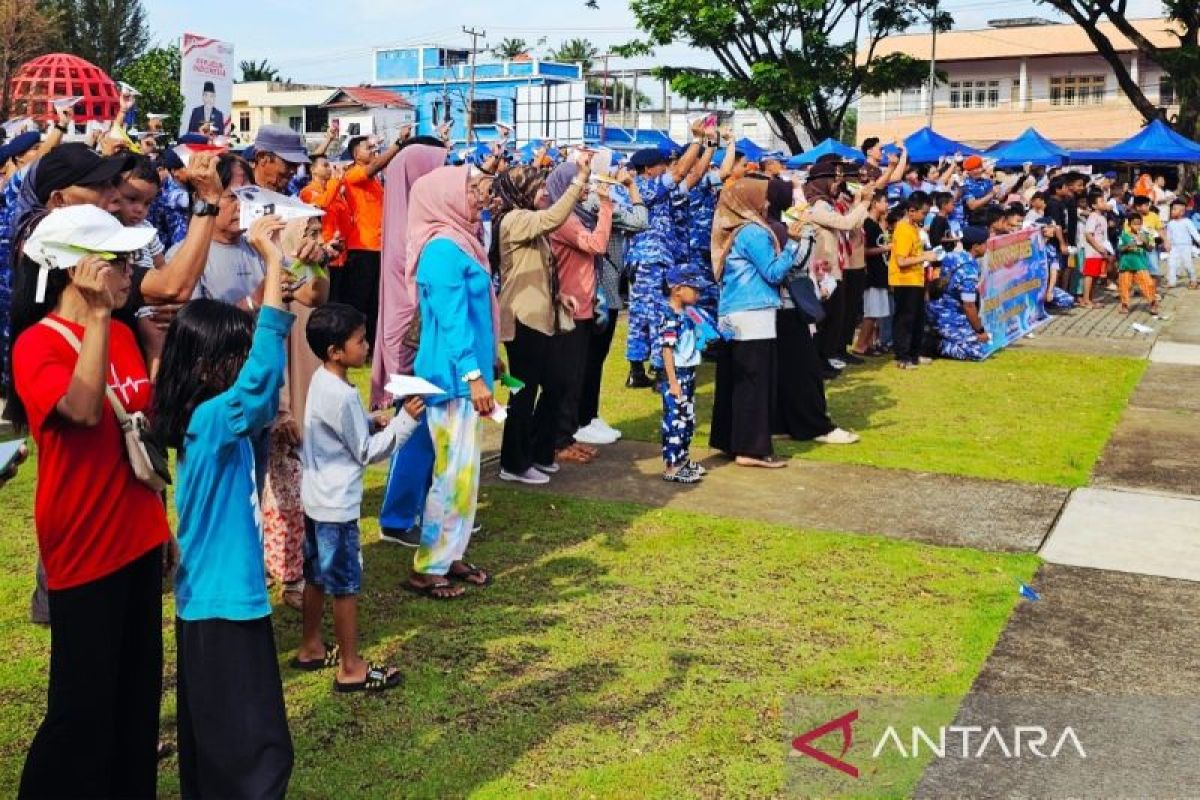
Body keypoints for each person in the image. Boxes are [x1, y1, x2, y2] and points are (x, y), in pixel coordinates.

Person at [9, 205, 168, 799]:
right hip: (83, 543)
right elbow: (80, 410)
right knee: (81, 707)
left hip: (137, 535)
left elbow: (140, 426)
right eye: (117, 262)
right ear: (77, 269)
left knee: (137, 697)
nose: (130, 273)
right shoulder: (37, 345)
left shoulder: (123, 333)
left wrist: (162, 527)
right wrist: (99, 316)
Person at [153, 214, 295, 799]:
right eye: (236, 357)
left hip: (218, 600)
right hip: (221, 603)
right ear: (210, 366)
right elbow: (262, 376)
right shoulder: (213, 419)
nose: (244, 367)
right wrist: (273, 260)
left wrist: (279, 274)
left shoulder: (210, 420)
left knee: (219, 737)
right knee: (250, 744)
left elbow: (257, 377)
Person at [294, 303, 423, 691]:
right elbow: (366, 452)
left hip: (316, 500)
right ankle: (351, 667)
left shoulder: (322, 380)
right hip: (336, 507)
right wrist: (405, 422)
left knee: (316, 576)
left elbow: (336, 429)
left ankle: (311, 645)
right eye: (360, 341)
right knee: (345, 586)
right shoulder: (342, 395)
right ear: (335, 351)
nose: (367, 347)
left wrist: (370, 420)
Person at [407, 165, 500, 599]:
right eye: (471, 190)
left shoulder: (463, 241)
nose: (480, 198)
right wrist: (473, 374)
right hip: (451, 377)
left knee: (465, 473)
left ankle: (451, 552)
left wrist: (489, 358)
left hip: (467, 373)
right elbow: (452, 319)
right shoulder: (442, 250)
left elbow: (477, 316)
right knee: (452, 474)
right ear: (446, 197)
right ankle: (428, 566)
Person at [370, 137, 449, 546]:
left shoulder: (422, 224)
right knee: (415, 429)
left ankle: (424, 510)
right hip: (413, 347)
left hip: (430, 344)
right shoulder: (410, 236)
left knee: (432, 432)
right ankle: (398, 518)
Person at [495, 161, 590, 484]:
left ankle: (539, 450)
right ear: (521, 190)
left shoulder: (527, 220)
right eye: (538, 187)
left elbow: (538, 267)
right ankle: (514, 463)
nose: (544, 193)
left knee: (557, 383)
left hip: (540, 316)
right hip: (522, 319)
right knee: (522, 392)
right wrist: (579, 181)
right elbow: (553, 218)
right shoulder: (515, 219)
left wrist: (559, 295)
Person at [709, 178, 802, 468]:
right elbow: (773, 272)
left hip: (732, 312)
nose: (767, 203)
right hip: (754, 313)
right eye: (762, 197)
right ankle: (751, 449)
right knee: (756, 383)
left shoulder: (732, 230)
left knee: (734, 381)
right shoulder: (753, 232)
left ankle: (730, 440)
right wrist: (793, 244)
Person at [624, 124, 703, 387]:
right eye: (661, 165)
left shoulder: (646, 188)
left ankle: (637, 370)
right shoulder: (644, 187)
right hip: (651, 262)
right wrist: (697, 139)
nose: (666, 169)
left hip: (646, 261)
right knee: (658, 314)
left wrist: (706, 146)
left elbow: (691, 177)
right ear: (648, 169)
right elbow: (680, 173)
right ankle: (659, 372)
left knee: (641, 314)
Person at [546, 160, 614, 463]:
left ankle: (567, 436)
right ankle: (558, 440)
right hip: (569, 308)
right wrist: (606, 206)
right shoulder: (563, 219)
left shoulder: (572, 215)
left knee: (575, 377)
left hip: (582, 306)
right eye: (580, 183)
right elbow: (597, 245)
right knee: (566, 378)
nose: (585, 188)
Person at [573, 168, 647, 445]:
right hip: (602, 291)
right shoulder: (596, 203)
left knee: (594, 359)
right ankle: (583, 418)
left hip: (605, 288)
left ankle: (589, 415)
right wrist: (632, 187)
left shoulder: (595, 201)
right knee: (591, 359)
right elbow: (640, 221)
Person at [338, 127, 411, 344]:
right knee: (360, 301)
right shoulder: (353, 175)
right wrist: (398, 143)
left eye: (373, 147)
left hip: (379, 246)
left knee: (375, 300)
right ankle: (354, 342)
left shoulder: (375, 182)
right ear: (355, 154)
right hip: (361, 247)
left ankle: (371, 345)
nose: (372, 151)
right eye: (367, 148)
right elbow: (376, 166)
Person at [656, 266, 708, 484]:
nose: (698, 294)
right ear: (677, 290)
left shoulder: (687, 313)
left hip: (688, 372)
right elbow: (667, 350)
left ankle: (683, 459)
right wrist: (673, 382)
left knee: (687, 418)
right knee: (675, 420)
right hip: (676, 374)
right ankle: (672, 466)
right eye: (694, 289)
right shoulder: (670, 317)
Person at [889, 194, 939, 369]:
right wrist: (925, 257)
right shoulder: (903, 229)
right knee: (905, 320)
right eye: (923, 213)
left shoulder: (914, 228)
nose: (925, 216)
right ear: (911, 211)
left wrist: (925, 255)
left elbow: (913, 255)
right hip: (904, 281)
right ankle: (902, 357)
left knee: (918, 319)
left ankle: (914, 354)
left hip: (916, 279)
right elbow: (901, 261)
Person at [927, 226, 992, 361]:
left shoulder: (953, 256)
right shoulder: (968, 270)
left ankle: (939, 336)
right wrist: (979, 331)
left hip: (938, 309)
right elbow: (969, 305)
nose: (987, 247)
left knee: (983, 342)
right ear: (975, 247)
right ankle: (934, 344)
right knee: (978, 352)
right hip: (948, 315)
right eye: (984, 243)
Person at [853, 191, 892, 356]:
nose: (887, 205)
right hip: (872, 274)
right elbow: (864, 250)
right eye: (885, 201)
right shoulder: (867, 224)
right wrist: (886, 248)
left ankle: (868, 344)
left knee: (876, 312)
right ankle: (860, 345)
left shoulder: (875, 224)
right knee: (871, 312)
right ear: (875, 203)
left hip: (880, 273)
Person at [1116, 213, 1161, 315]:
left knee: (1148, 284)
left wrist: (1145, 242)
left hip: (1140, 264)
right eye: (1135, 224)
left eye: (1139, 224)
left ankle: (1153, 304)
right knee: (1125, 286)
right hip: (1126, 264)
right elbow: (1120, 249)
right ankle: (1125, 305)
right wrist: (1128, 246)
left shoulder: (1145, 235)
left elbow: (1150, 249)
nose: (1137, 226)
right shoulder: (1124, 235)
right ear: (1129, 224)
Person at [1081, 190, 1112, 308]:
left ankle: (1090, 299)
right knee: (1089, 275)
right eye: (1101, 201)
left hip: (1100, 251)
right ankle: (1085, 300)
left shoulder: (1102, 217)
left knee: (1095, 275)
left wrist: (1105, 249)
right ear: (1094, 205)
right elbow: (1088, 234)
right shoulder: (1093, 217)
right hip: (1093, 252)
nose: (1104, 203)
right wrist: (1098, 247)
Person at [1163, 199, 1200, 289]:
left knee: (1188, 264)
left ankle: (1193, 280)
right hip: (1174, 247)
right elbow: (1168, 235)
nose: (1172, 211)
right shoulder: (1170, 224)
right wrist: (1167, 244)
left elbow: (1194, 233)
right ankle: (1172, 282)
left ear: (1182, 212)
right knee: (1172, 264)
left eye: (1174, 209)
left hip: (1186, 246)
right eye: (1172, 209)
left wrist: (1199, 241)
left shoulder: (1187, 222)